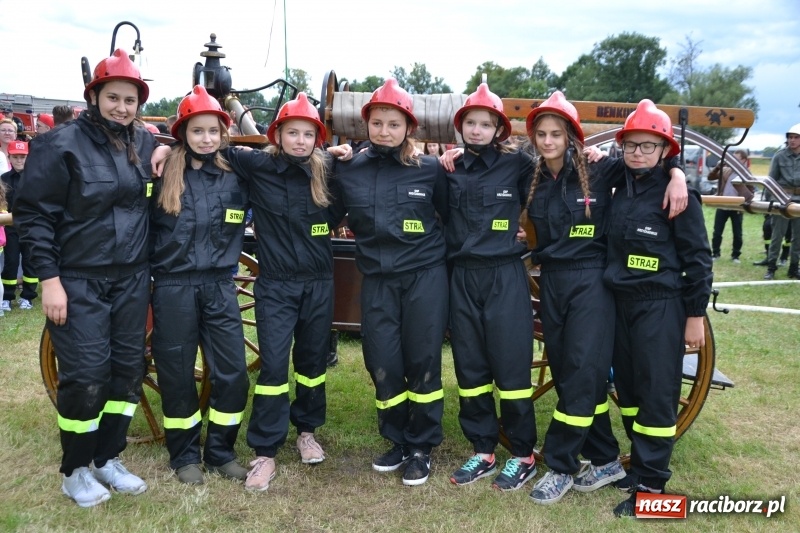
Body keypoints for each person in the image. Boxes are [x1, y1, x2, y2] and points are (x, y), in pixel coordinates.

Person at [522, 92, 688, 506]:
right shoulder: (530, 177)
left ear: (573, 136)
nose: (547, 141)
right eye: (541, 133)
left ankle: (561, 465)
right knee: (566, 372)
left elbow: (650, 158)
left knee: (581, 370)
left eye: (556, 133)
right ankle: (605, 458)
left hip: (592, 282)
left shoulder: (603, 170)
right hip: (553, 282)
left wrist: (679, 174)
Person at [13, 48, 158, 508]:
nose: (121, 107)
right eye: (112, 97)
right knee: (87, 375)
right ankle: (75, 469)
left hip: (132, 278)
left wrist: (168, 151)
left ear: (139, 104)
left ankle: (108, 458)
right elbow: (33, 216)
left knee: (127, 373)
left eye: (130, 100)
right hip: (79, 279)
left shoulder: (147, 144)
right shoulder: (60, 145)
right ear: (93, 96)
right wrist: (49, 280)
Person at [220, 93, 352, 491]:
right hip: (276, 285)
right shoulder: (256, 164)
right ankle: (265, 451)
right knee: (274, 367)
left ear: (317, 138)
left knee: (312, 364)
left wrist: (344, 153)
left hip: (318, 282)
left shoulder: (326, 169)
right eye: (291, 132)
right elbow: (211, 147)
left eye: (307, 134)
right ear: (276, 134)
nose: (299, 140)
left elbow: (344, 201)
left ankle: (307, 432)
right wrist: (166, 153)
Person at [329, 79, 448, 487]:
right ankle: (396, 438)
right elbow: (327, 212)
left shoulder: (431, 169)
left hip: (423, 278)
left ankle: (422, 446)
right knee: (382, 362)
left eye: (393, 124)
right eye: (377, 123)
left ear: (408, 127)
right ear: (367, 125)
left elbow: (450, 216)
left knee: (422, 361)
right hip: (377, 279)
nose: (384, 131)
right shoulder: (348, 169)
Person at [604, 99, 712, 517]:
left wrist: (695, 316)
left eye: (648, 147)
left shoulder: (679, 195)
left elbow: (698, 260)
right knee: (629, 392)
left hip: (660, 307)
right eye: (631, 145)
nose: (637, 153)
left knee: (656, 395)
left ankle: (652, 488)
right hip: (621, 306)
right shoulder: (619, 191)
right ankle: (640, 467)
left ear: (665, 150)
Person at [149, 85, 250, 486]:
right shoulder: (160, 172)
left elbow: (283, 165)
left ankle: (221, 451)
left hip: (219, 286)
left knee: (233, 373)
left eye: (213, 131)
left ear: (223, 133)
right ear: (182, 134)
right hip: (173, 287)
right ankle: (185, 454)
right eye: (197, 131)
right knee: (175, 374)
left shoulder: (236, 174)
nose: (206, 138)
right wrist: (155, 147)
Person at [441, 84, 538, 492]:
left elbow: (560, 173)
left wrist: (675, 171)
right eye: (471, 122)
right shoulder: (445, 168)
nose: (478, 130)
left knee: (512, 366)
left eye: (486, 123)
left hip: (504, 276)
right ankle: (483, 449)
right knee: (471, 368)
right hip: (461, 277)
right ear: (460, 125)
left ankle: (522, 455)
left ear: (499, 128)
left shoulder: (518, 165)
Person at [1, 141, 38, 312]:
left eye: (22, 157)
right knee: (11, 262)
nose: (19, 161)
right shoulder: (4, 179)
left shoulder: (36, 178)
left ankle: (28, 297)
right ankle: (7, 297)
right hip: (10, 229)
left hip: (31, 228)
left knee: (31, 262)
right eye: (15, 157)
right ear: (9, 157)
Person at [763, 123, 800, 280]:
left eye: (796, 137)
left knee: (798, 237)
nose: (792, 140)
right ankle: (771, 268)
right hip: (782, 199)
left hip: (799, 201)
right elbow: (771, 179)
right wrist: (769, 203)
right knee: (777, 236)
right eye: (790, 137)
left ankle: (794, 268)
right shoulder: (779, 156)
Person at [708, 149, 754, 263]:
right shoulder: (726, 170)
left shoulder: (747, 174)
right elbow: (710, 177)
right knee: (717, 232)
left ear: (744, 160)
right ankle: (715, 254)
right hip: (722, 205)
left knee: (737, 233)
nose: (733, 162)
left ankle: (735, 256)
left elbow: (751, 192)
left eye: (736, 159)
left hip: (737, 207)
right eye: (732, 159)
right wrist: (718, 167)